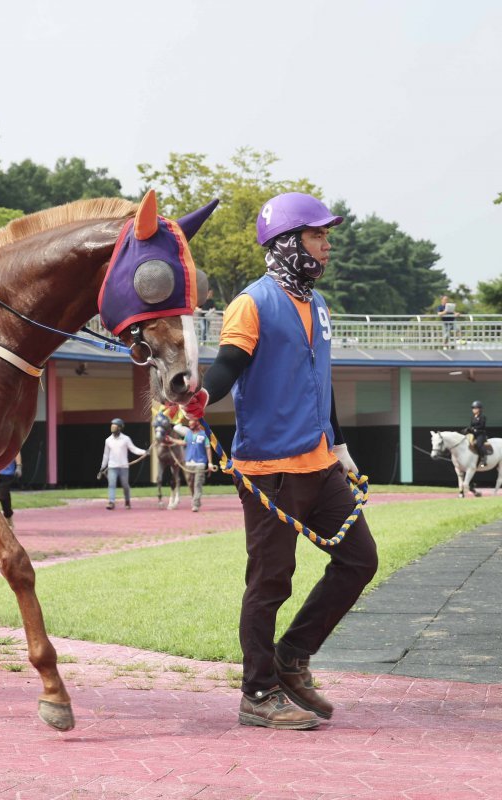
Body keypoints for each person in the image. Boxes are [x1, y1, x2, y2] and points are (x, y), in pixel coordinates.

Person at [176, 192, 378, 730]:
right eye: (317, 236)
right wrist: (200, 396)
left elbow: (321, 383)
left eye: (326, 236)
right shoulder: (253, 302)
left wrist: (340, 448)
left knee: (360, 561)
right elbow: (228, 367)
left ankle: (291, 657)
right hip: (270, 471)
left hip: (320, 464)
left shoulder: (319, 304)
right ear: (288, 243)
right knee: (271, 582)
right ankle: (258, 693)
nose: (326, 246)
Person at [97, 419, 145, 510]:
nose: (112, 427)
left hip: (123, 467)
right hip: (112, 466)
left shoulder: (126, 439)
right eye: (112, 425)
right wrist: (102, 467)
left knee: (125, 485)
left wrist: (144, 452)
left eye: (114, 426)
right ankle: (111, 502)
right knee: (111, 484)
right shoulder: (108, 440)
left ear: (120, 428)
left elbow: (133, 449)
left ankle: (127, 501)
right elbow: (106, 455)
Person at [175, 418, 215, 512]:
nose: (189, 425)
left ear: (197, 423)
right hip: (189, 462)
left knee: (197, 483)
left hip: (200, 463)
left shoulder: (204, 434)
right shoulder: (188, 434)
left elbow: (208, 449)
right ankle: (194, 498)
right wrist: (172, 440)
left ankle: (195, 504)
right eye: (189, 424)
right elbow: (184, 443)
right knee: (190, 483)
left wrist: (210, 463)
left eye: (191, 423)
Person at [0, 455, 22, 530]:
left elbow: (17, 451)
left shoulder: (9, 442)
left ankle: (8, 517)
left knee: (3, 496)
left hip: (7, 473)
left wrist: (19, 466)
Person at [466, 400, 489, 469]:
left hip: (480, 434)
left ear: (479, 409)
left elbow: (482, 426)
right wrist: (468, 429)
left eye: (475, 408)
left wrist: (474, 429)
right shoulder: (473, 417)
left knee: (479, 445)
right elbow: (471, 425)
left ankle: (483, 459)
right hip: (473, 434)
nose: (473, 410)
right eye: (473, 408)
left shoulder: (482, 417)